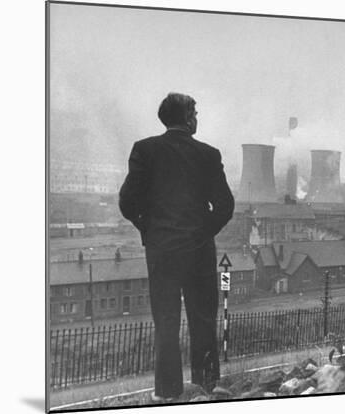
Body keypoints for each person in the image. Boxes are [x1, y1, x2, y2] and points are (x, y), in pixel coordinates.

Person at [119, 93, 234, 402]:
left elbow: (127, 202)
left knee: (166, 323)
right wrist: (200, 233)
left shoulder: (145, 150)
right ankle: (207, 388)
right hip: (198, 252)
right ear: (186, 118)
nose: (196, 119)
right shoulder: (208, 155)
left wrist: (151, 228)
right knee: (204, 320)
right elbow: (225, 206)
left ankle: (167, 394)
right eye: (194, 113)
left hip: (162, 253)